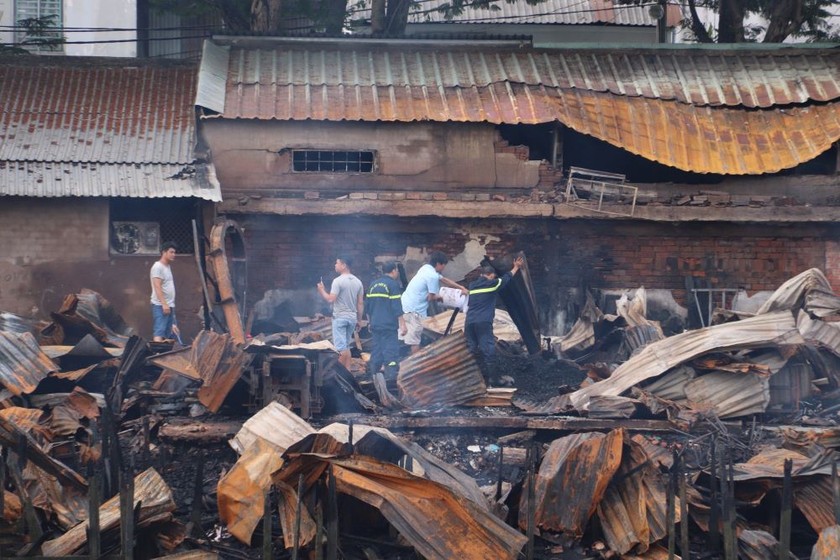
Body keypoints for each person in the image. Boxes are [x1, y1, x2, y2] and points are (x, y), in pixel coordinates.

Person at [465, 255, 524, 385]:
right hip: (483, 322)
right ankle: (493, 379)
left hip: (469, 322)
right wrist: (516, 267)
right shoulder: (492, 284)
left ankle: (468, 380)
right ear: (491, 275)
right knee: (488, 349)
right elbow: (507, 278)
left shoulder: (472, 286)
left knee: (471, 349)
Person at [401, 251, 468, 354]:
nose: (443, 268)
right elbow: (430, 297)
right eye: (443, 265)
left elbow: (444, 280)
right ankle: (417, 364)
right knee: (415, 340)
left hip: (406, 304)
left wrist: (461, 287)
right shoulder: (432, 276)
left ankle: (411, 358)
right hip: (414, 310)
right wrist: (442, 297)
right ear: (438, 264)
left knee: (411, 336)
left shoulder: (425, 268)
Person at [317, 257, 364, 369]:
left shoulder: (338, 281)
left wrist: (321, 290)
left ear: (344, 265)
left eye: (337, 263)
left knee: (340, 349)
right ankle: (347, 374)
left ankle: (338, 373)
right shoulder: (358, 282)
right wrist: (359, 320)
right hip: (352, 318)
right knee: (346, 347)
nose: (335, 265)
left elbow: (330, 299)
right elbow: (360, 303)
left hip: (340, 318)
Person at [366, 262, 407, 378]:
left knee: (377, 351)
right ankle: (391, 379)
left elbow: (367, 308)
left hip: (375, 325)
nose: (398, 273)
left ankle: (373, 376)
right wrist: (403, 325)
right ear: (393, 271)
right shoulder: (393, 285)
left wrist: (370, 322)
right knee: (391, 352)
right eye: (397, 271)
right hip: (389, 326)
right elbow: (397, 307)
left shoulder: (373, 285)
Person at [150, 241, 180, 342]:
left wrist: (169, 305)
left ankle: (164, 355)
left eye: (174, 252)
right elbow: (157, 286)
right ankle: (157, 355)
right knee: (159, 331)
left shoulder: (167, 267)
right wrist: (164, 304)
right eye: (171, 252)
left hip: (169, 305)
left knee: (168, 332)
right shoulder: (157, 266)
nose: (173, 255)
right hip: (160, 305)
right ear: (164, 252)